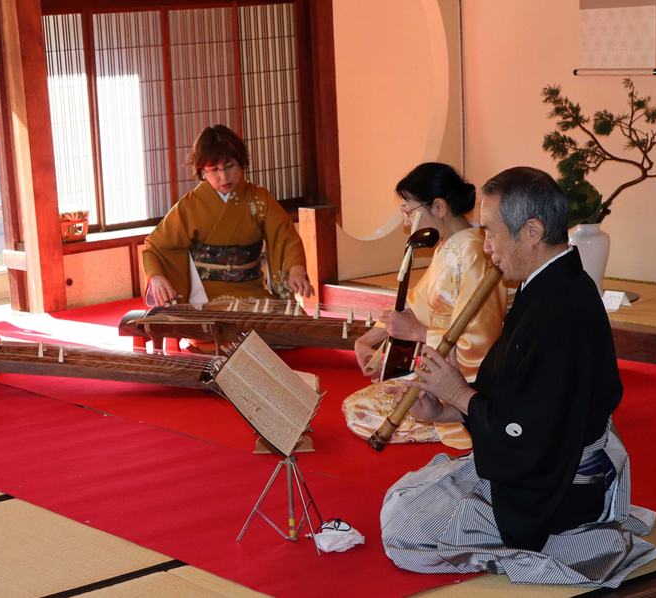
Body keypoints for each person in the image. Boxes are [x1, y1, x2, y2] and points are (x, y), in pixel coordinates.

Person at [379, 167, 656, 587]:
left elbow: (528, 436)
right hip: (533, 457)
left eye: (490, 232)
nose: (486, 246)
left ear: (532, 230)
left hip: (556, 488)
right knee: (403, 495)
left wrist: (459, 392)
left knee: (404, 529)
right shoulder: (542, 287)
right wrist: (448, 409)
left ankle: (553, 545)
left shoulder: (563, 309)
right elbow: (516, 398)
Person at [343, 163, 508, 448]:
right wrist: (367, 340)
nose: (407, 221)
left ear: (440, 207)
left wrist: (419, 332)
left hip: (465, 383)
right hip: (442, 364)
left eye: (409, 210)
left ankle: (450, 420)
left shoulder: (474, 254)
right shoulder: (450, 247)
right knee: (355, 404)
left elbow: (480, 341)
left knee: (359, 410)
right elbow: (415, 304)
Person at [142, 125, 313, 307]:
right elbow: (156, 247)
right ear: (202, 172)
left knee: (286, 328)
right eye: (214, 169)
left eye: (230, 166)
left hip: (254, 292)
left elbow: (285, 238)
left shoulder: (259, 199)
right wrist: (157, 277)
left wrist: (295, 271)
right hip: (204, 297)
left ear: (241, 164)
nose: (224, 176)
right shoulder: (191, 205)